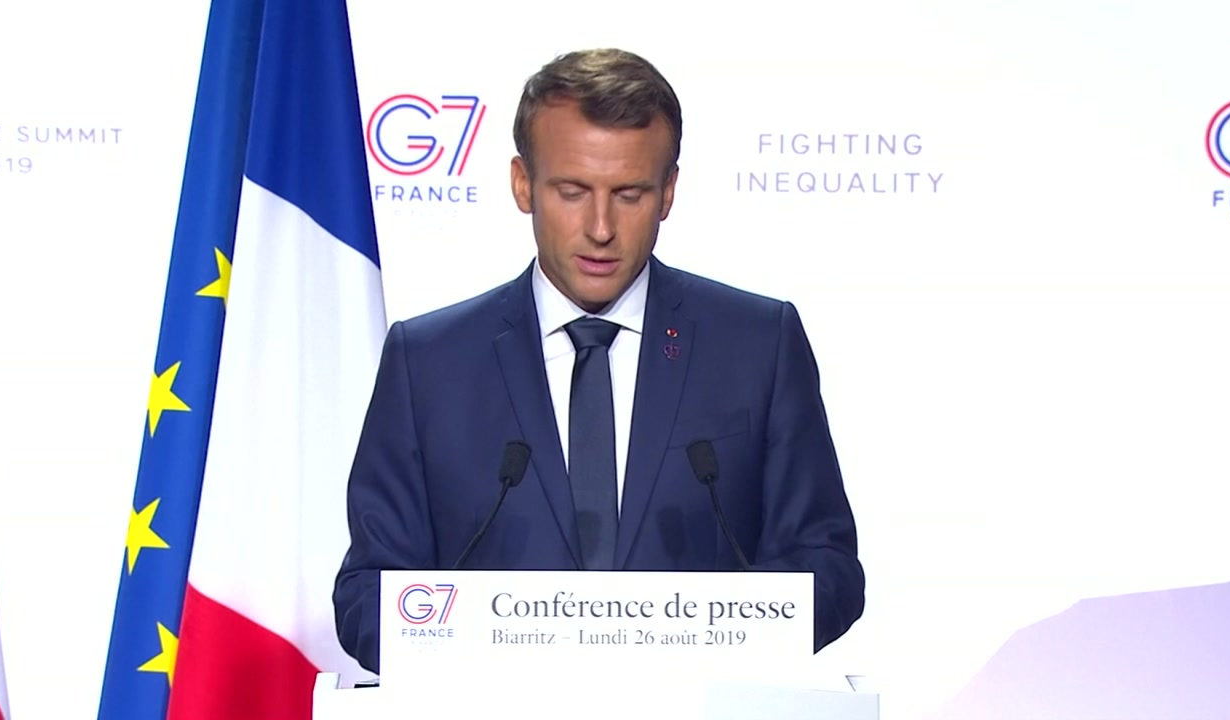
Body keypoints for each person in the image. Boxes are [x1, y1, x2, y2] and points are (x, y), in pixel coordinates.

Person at [332, 48, 864, 674]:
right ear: (522, 183)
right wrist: (488, 647)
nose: (601, 227)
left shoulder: (757, 344)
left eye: (629, 194)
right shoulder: (429, 363)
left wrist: (713, 636)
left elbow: (826, 566)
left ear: (668, 192)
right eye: (573, 191)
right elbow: (368, 594)